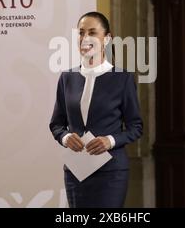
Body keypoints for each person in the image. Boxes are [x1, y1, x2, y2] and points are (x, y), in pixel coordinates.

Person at [49, 11, 143, 208]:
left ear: (107, 39)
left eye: (92, 32)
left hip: (111, 172)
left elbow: (136, 127)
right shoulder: (67, 77)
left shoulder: (122, 79)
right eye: (81, 33)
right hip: (76, 171)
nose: (85, 38)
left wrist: (110, 140)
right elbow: (57, 124)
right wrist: (66, 137)